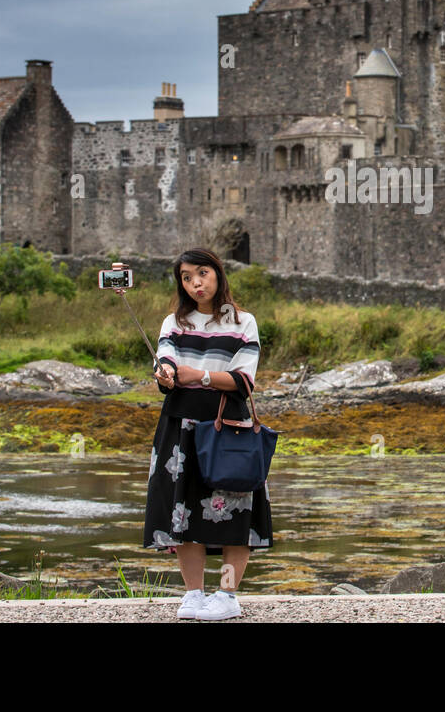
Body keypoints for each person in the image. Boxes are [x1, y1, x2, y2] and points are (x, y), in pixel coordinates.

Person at [141, 247, 272, 621]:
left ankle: (228, 594)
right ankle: (194, 594)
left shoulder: (243, 322)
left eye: (202, 273)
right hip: (178, 427)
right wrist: (165, 373)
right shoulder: (174, 323)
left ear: (217, 273)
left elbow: (243, 380)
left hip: (227, 427)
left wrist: (197, 376)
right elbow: (165, 361)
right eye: (186, 277)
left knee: (236, 516)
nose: (196, 283)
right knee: (182, 514)